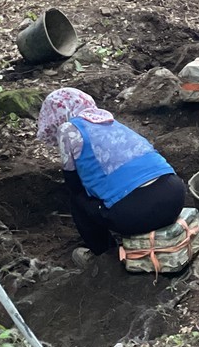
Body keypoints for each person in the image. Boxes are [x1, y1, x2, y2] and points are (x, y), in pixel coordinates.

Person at [36, 88, 186, 266]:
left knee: (78, 202)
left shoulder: (69, 129)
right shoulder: (111, 122)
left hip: (138, 214)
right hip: (175, 196)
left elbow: (74, 185)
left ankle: (104, 255)